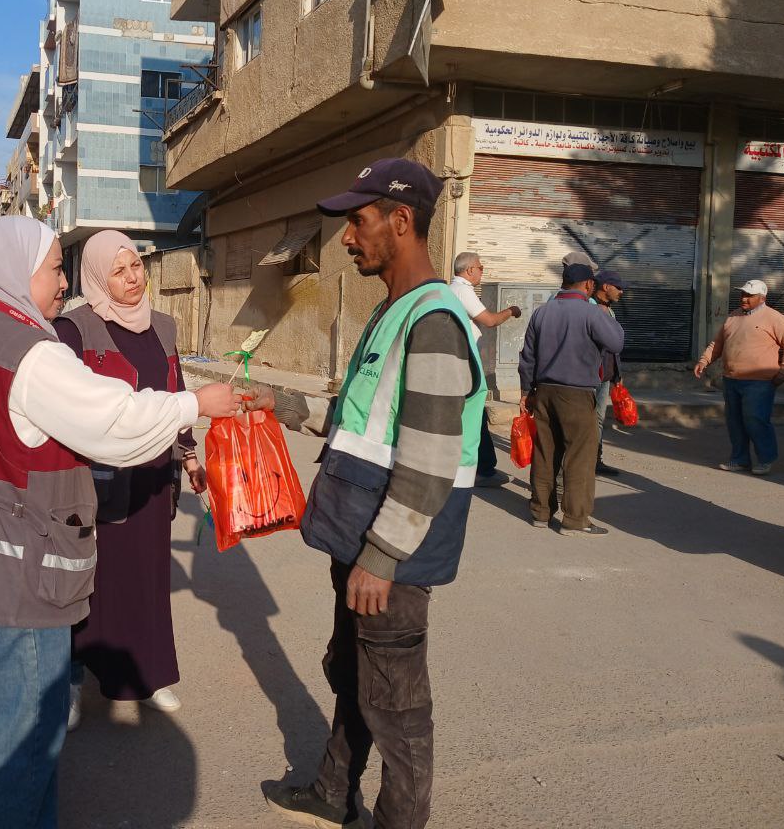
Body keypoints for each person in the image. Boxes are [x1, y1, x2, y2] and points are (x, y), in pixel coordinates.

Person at [0, 217, 242, 829]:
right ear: (18, 275)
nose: (63, 282)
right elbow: (114, 422)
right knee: (21, 747)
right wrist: (195, 404)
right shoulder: (32, 353)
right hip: (20, 580)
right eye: (53, 270)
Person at [259, 159, 486, 829]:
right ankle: (334, 792)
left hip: (391, 550)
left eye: (358, 222)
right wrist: (278, 404)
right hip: (361, 533)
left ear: (401, 220)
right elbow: (358, 419)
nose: (348, 239)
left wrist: (383, 556)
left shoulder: (435, 321)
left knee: (396, 701)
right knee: (356, 673)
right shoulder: (394, 310)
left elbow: (432, 457)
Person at [54, 231, 205, 727]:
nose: (132, 278)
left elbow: (176, 393)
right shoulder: (75, 329)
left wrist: (189, 457)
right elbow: (65, 404)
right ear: (98, 277)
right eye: (118, 271)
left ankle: (149, 674)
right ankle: (72, 681)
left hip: (152, 479)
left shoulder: (163, 325)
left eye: (135, 265)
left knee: (146, 578)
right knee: (89, 581)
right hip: (97, 480)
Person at [518, 263, 625, 535]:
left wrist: (526, 392)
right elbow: (616, 343)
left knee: (545, 453)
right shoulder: (591, 312)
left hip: (544, 391)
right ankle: (575, 519)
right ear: (588, 285)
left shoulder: (542, 312)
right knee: (580, 456)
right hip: (577, 394)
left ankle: (540, 513)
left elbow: (527, 356)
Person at [693, 279, 784, 476]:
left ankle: (765, 459)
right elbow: (718, 343)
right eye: (743, 294)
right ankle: (740, 459)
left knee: (755, 419)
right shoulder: (733, 316)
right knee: (735, 421)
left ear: (762, 298)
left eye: (749, 295)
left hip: (759, 382)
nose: (744, 298)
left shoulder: (774, 318)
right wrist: (704, 360)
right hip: (732, 379)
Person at [450, 251, 520, 487]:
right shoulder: (463, 290)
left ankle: (476, 465)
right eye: (480, 268)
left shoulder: (451, 289)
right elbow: (490, 320)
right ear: (469, 270)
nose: (482, 271)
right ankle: (484, 469)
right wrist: (511, 311)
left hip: (459, 359)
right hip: (466, 361)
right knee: (475, 414)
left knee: (467, 414)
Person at [592, 270, 626, 477]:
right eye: (618, 287)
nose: (621, 292)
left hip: (605, 375)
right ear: (605, 287)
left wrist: (617, 375)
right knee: (586, 419)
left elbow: (614, 348)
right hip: (590, 376)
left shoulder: (609, 311)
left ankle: (595, 460)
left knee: (598, 418)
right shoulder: (590, 308)